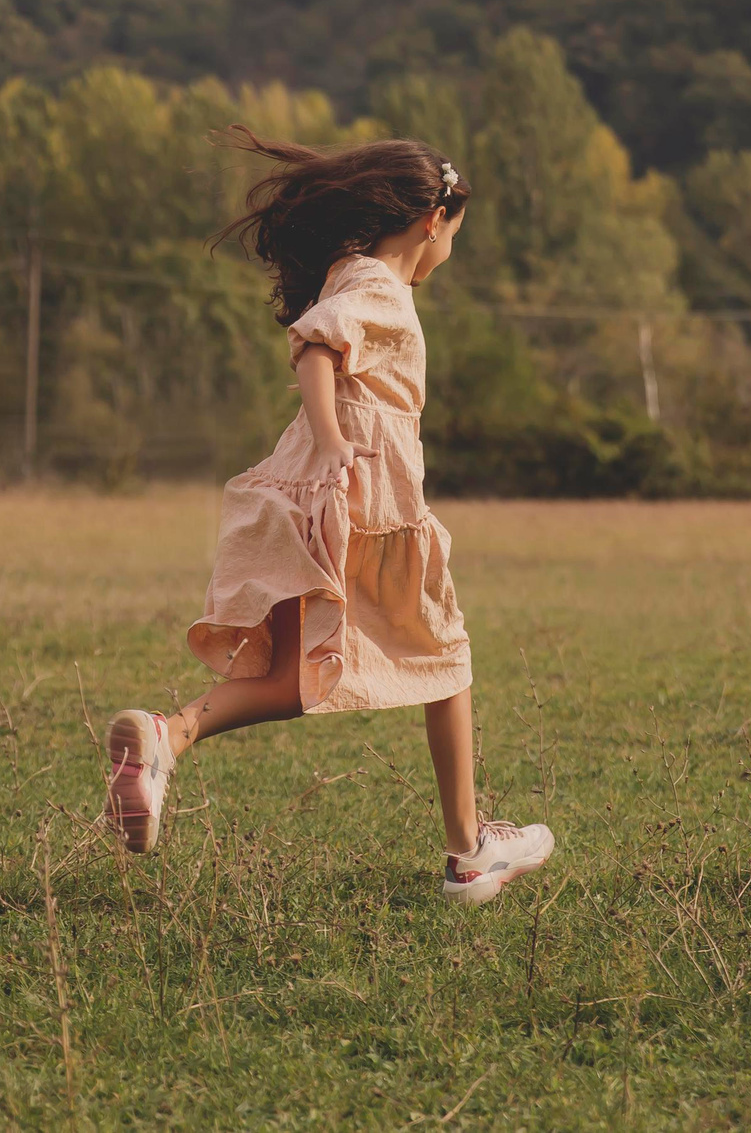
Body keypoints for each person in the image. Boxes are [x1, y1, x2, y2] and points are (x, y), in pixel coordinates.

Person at [101, 129, 556, 906]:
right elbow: (316, 349)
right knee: (447, 659)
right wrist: (336, 437)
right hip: (369, 505)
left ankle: (166, 736)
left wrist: (327, 443)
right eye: (455, 232)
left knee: (291, 677)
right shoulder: (378, 287)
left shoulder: (350, 271)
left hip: (308, 500)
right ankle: (470, 854)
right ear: (431, 222)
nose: (451, 247)